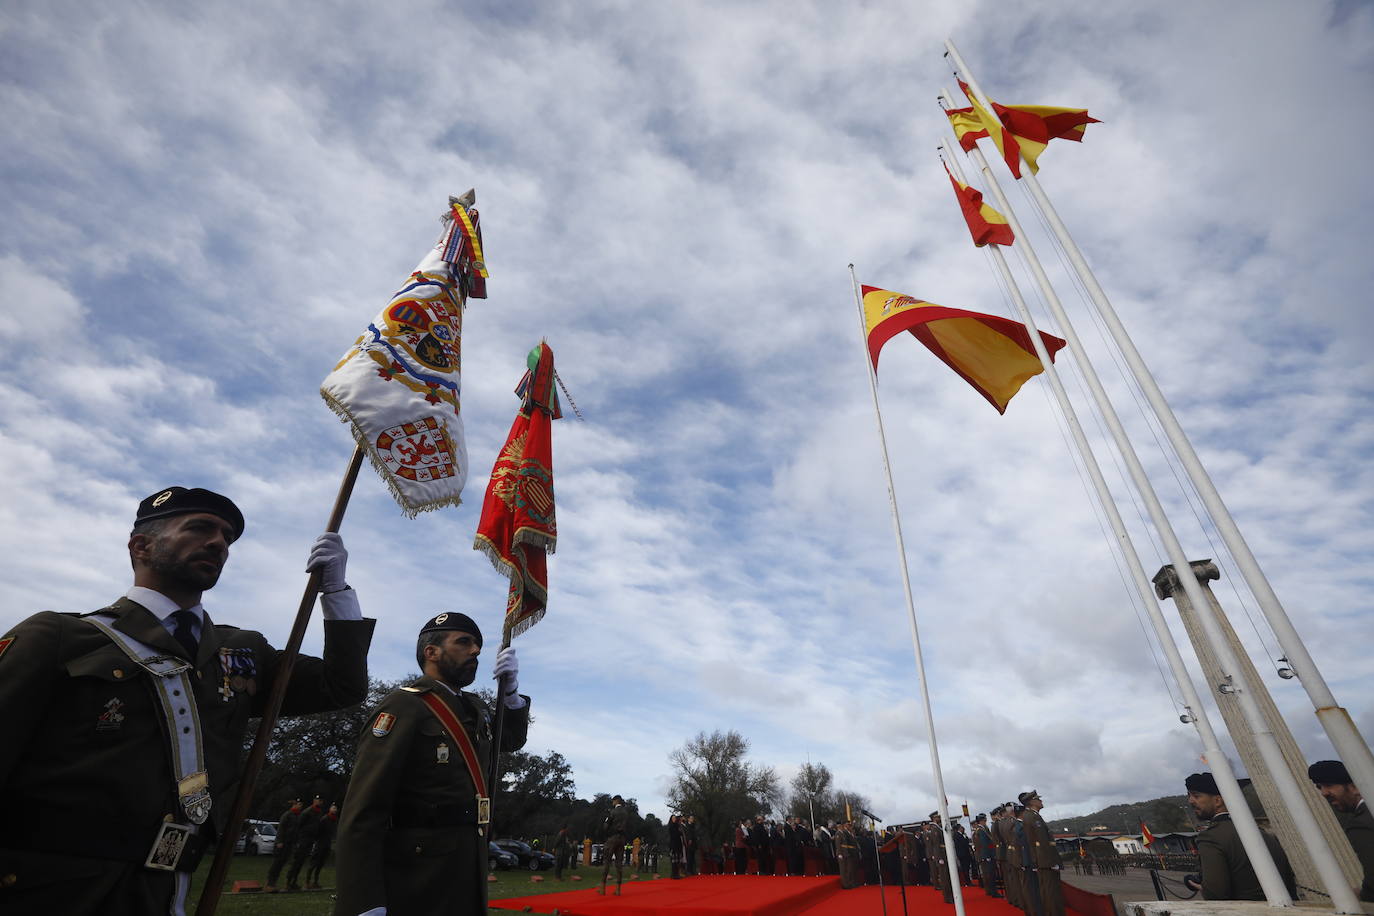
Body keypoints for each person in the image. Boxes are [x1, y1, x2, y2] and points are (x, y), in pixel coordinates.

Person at [0, 486, 374, 916]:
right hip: (51, 888)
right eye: (199, 528)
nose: (218, 542)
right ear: (141, 546)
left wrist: (337, 592)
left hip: (170, 886)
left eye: (227, 537)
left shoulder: (242, 650)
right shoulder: (61, 638)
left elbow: (341, 687)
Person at [332, 611, 528, 916]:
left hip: (465, 864)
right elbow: (365, 809)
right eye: (463, 642)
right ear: (431, 652)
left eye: (477, 644)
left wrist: (512, 692)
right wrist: (365, 903)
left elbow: (511, 739)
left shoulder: (475, 708)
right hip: (418, 872)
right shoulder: (405, 704)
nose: (476, 650)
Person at [1182, 772, 1296, 901]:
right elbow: (1289, 883)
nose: (1190, 801)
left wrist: (1200, 886)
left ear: (1218, 801)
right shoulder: (1263, 833)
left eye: (1196, 796)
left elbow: (1216, 894)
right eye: (1189, 796)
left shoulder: (1211, 837)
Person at [1309, 760, 1374, 902]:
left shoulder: (1361, 824)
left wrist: (1362, 896)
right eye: (1319, 787)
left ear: (1354, 787)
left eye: (1329, 785)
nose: (1323, 793)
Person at [1019, 790, 1064, 916]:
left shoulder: (1031, 815)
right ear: (1032, 802)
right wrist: (1052, 862)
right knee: (1051, 891)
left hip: (1042, 860)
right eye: (1038, 799)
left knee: (1048, 890)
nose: (1041, 801)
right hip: (1045, 860)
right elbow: (1042, 841)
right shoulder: (1032, 817)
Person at [285, 796, 327, 891]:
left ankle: (294, 881)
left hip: (310, 840)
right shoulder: (307, 812)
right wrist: (298, 839)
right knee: (296, 861)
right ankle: (288, 882)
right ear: (314, 801)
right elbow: (299, 825)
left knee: (301, 861)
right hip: (303, 839)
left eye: (321, 801)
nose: (319, 802)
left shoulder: (319, 812)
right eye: (318, 800)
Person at [265, 798, 304, 893]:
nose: (300, 806)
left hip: (290, 844)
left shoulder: (297, 816)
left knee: (282, 863)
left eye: (301, 804)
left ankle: (273, 883)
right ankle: (269, 883)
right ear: (294, 805)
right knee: (277, 864)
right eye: (299, 804)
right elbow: (281, 829)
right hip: (283, 843)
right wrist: (279, 841)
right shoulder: (287, 815)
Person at [305, 803, 339, 890]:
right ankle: (307, 882)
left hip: (327, 844)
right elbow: (318, 830)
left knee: (320, 864)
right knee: (313, 863)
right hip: (320, 843)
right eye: (333, 808)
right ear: (330, 809)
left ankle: (315, 882)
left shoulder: (334, 820)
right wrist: (317, 840)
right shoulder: (325, 819)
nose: (334, 810)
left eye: (336, 808)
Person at [600, 795, 630, 895]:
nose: (612, 802)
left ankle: (602, 888)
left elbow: (606, 826)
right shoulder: (625, 813)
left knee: (607, 862)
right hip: (622, 839)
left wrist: (606, 832)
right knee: (619, 863)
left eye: (613, 801)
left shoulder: (612, 812)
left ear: (616, 801)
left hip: (612, 838)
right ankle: (618, 889)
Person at [974, 813, 1002, 898]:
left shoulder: (981, 829)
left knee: (988, 874)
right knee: (990, 874)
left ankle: (990, 890)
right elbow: (985, 844)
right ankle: (993, 892)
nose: (985, 821)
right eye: (984, 820)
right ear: (982, 821)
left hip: (986, 855)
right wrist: (991, 851)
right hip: (987, 855)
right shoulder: (981, 830)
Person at [668, 814, 685, 878]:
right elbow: (674, 835)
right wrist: (679, 832)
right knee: (674, 861)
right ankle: (674, 874)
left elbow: (681, 833)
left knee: (678, 860)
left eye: (675, 818)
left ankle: (677, 873)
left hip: (678, 844)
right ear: (671, 819)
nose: (674, 819)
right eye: (673, 818)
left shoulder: (677, 826)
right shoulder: (671, 826)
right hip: (673, 845)